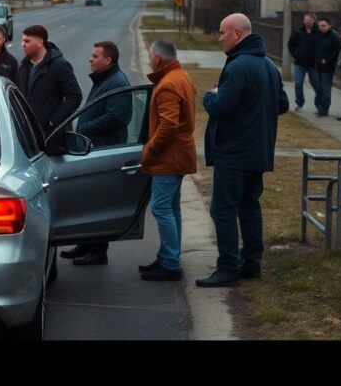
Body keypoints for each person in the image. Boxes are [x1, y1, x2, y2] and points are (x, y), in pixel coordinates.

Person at [197, 14, 289, 288]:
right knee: (249, 206)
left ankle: (227, 268)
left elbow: (220, 107)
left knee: (223, 209)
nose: (220, 37)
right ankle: (251, 263)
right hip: (257, 151)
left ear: (237, 33)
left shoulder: (239, 66)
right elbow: (281, 103)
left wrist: (209, 95)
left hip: (234, 152)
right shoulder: (268, 66)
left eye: (223, 32)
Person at [61, 41, 130, 266]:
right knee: (88, 200)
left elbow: (117, 116)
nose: (90, 59)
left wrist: (85, 128)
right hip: (94, 148)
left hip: (104, 149)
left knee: (100, 201)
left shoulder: (117, 82)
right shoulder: (104, 79)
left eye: (95, 56)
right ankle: (85, 244)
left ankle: (99, 251)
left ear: (108, 60)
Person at [138, 38, 197, 282]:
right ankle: (166, 257)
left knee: (162, 208)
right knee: (171, 208)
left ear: (158, 58)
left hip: (168, 157)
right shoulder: (182, 77)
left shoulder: (168, 85)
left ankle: (171, 263)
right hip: (180, 154)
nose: (150, 60)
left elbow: (168, 125)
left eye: (151, 56)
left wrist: (150, 150)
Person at [16, 24, 83, 155]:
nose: (22, 44)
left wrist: (53, 121)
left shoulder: (60, 66)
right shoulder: (25, 66)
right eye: (23, 40)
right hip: (27, 133)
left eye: (27, 41)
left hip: (49, 137)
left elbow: (75, 97)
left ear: (40, 42)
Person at [287, 13, 318, 112]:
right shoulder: (298, 32)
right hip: (300, 63)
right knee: (298, 83)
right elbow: (291, 44)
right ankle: (299, 102)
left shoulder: (318, 32)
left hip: (313, 63)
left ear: (313, 20)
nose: (307, 22)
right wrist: (296, 54)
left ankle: (319, 103)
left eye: (309, 20)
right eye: (305, 20)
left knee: (316, 84)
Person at [313, 17, 341, 117]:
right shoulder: (318, 35)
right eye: (320, 26)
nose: (322, 28)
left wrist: (328, 60)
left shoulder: (334, 37)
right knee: (319, 88)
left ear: (329, 25)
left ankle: (324, 109)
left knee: (326, 88)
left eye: (324, 26)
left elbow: (337, 51)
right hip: (318, 66)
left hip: (328, 67)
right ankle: (320, 106)